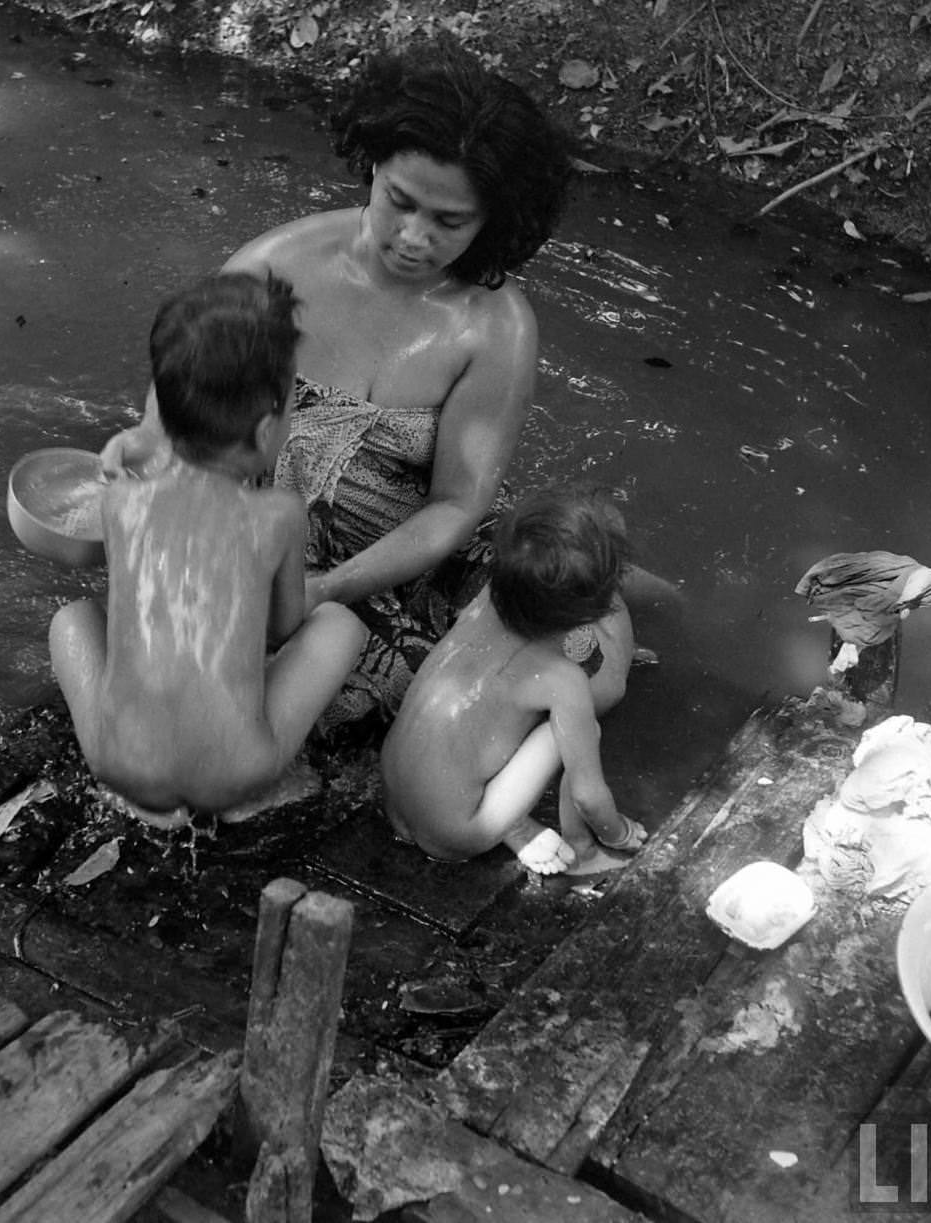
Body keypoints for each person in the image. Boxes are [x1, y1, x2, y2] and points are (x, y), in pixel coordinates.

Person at [101, 39, 572, 727]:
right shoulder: (279, 263)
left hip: (396, 566)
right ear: (371, 168)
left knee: (531, 643)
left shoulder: (494, 329)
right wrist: (143, 445)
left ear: (493, 219)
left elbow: (453, 505)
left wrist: (328, 588)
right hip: (261, 543)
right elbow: (181, 398)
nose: (413, 237)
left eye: (449, 222)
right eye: (400, 202)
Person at [50, 273, 366, 825]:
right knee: (338, 624)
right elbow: (284, 627)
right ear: (269, 428)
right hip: (235, 774)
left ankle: (147, 803)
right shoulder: (278, 513)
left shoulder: (121, 503)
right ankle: (240, 786)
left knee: (72, 619)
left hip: (118, 762)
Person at [381, 486, 649, 875]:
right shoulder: (562, 678)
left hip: (390, 790)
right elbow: (588, 795)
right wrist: (619, 832)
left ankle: (510, 818)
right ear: (591, 614)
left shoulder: (488, 600)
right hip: (457, 833)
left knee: (497, 707)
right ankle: (583, 852)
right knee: (575, 726)